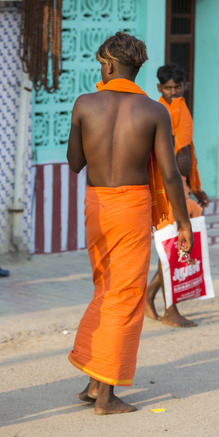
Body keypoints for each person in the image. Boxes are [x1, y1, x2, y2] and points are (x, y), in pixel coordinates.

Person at [67, 33, 193, 415]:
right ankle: (105, 396)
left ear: (108, 66)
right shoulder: (153, 110)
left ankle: (94, 383)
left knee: (106, 289)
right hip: (132, 207)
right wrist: (182, 222)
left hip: (97, 207)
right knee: (125, 297)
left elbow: (74, 163)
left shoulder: (85, 104)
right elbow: (170, 174)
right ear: (136, 70)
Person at [145, 62, 209, 328]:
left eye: (177, 87)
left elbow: (188, 150)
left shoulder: (182, 109)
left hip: (182, 186)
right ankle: (170, 310)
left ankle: (148, 297)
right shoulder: (157, 112)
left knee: (177, 248)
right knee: (171, 249)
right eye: (168, 88)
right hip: (165, 188)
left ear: (184, 87)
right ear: (160, 88)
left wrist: (196, 186)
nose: (173, 91)